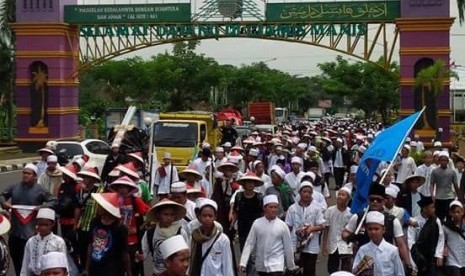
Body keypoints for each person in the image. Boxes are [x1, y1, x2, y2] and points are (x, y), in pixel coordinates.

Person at [0, 164, 57, 276]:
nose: (26, 175)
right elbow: (1, 195)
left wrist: (41, 207)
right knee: (16, 260)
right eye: (24, 173)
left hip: (31, 234)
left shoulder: (40, 190)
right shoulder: (14, 187)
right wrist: (4, 203)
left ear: (35, 176)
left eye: (29, 173)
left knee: (31, 263)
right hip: (15, 232)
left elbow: (54, 201)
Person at [342, 183, 411, 268]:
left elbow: (401, 244)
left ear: (384, 201)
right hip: (363, 262)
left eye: (378, 200)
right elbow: (345, 232)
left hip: (385, 262)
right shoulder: (358, 217)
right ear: (368, 200)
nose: (375, 202)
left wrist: (408, 264)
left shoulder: (392, 221)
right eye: (372, 199)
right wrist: (350, 237)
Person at [240, 194, 297, 276]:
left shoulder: (282, 226)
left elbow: (288, 247)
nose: (273, 210)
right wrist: (243, 262)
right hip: (261, 265)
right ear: (264, 208)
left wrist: (291, 266)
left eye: (275, 207)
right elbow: (250, 243)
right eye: (271, 207)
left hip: (277, 265)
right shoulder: (257, 223)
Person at [109, 176, 149, 276]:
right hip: (116, 240)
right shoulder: (113, 200)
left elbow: (150, 214)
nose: (122, 190)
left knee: (133, 268)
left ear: (129, 188)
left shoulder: (136, 201)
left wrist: (139, 228)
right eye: (120, 187)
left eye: (125, 187)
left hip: (132, 241)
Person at [84, 193, 131, 276]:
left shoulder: (120, 228)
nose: (97, 207)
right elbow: (90, 245)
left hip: (113, 270)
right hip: (95, 268)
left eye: (100, 205)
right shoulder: (94, 222)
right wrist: (87, 268)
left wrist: (129, 272)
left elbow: (124, 252)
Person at [137, 199, 187, 275]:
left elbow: (186, 256)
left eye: (172, 215)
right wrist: (140, 255)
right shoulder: (150, 233)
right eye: (165, 214)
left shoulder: (180, 232)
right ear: (158, 215)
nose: (169, 218)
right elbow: (144, 252)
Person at [285, 181, 325, 276]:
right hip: (295, 245)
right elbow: (288, 226)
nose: (307, 194)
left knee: (309, 271)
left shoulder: (316, 208)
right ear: (300, 192)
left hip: (311, 246)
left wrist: (311, 229)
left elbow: (322, 225)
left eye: (309, 192)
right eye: (304, 191)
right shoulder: (292, 208)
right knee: (294, 271)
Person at [188, 199, 234, 276]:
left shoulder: (222, 239)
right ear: (199, 216)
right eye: (204, 215)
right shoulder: (194, 236)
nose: (207, 219)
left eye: (210, 216)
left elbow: (227, 265)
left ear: (215, 217)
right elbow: (189, 260)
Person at [230, 173, 264, 276]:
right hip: (242, 229)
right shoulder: (239, 196)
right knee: (244, 253)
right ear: (244, 184)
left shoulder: (259, 197)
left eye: (252, 182)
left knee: (253, 256)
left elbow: (263, 213)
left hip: (256, 229)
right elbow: (236, 212)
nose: (250, 184)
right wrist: (232, 225)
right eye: (248, 182)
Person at [352, 211, 405, 276]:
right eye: (370, 229)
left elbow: (399, 273)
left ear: (383, 230)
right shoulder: (363, 250)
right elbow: (354, 272)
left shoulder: (392, 250)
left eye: (376, 229)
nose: (373, 232)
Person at [21, 208, 67, 276]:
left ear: (53, 224)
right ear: (37, 224)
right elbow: (25, 264)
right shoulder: (31, 241)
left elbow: (64, 264)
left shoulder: (58, 242)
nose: (43, 228)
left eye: (46, 225)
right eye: (41, 224)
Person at [75, 166, 104, 271]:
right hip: (82, 225)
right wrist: (75, 224)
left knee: (93, 250)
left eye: (86, 178)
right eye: (84, 177)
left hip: (94, 226)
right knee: (81, 250)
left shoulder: (100, 190)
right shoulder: (81, 191)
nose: (84, 180)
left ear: (92, 179)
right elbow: (78, 207)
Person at [407, 196, 444, 276]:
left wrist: (439, 255)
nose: (434, 209)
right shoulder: (414, 221)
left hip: (432, 257)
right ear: (424, 209)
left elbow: (441, 238)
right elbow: (411, 241)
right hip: (419, 257)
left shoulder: (436, 220)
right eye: (432, 207)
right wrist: (414, 261)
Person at [322, 187, 353, 274]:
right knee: (332, 268)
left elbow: (353, 230)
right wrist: (324, 245)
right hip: (333, 244)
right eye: (339, 194)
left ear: (348, 198)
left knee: (346, 269)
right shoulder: (330, 210)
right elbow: (326, 228)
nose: (340, 196)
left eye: (343, 195)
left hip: (346, 245)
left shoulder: (351, 213)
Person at [430, 151, 460, 222]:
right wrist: (432, 195)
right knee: (439, 217)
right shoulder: (435, 171)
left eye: (445, 160)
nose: (443, 162)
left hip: (449, 197)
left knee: (449, 216)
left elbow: (455, 185)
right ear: (439, 161)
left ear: (448, 161)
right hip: (438, 198)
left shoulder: (452, 172)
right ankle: (439, 231)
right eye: (442, 160)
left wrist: (459, 196)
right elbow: (432, 184)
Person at [443, 200, 465, 276]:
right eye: (454, 212)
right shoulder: (446, 227)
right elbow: (441, 240)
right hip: (452, 260)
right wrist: (444, 246)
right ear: (450, 213)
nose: (456, 214)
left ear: (462, 212)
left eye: (458, 212)